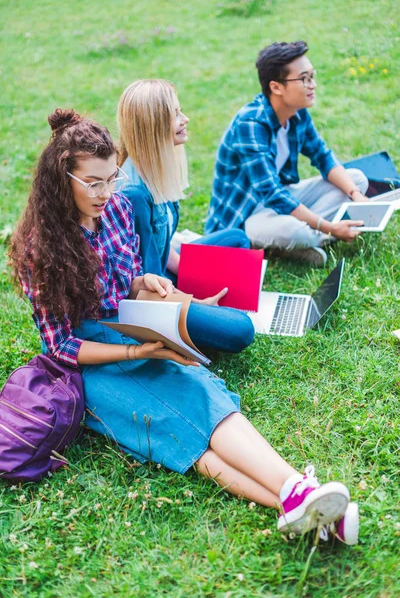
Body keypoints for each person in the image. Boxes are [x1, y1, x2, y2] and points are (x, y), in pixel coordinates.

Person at [10, 109, 358, 544]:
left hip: (133, 327)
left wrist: (145, 280)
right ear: (62, 181)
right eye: (93, 183)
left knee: (202, 400)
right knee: (185, 424)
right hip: (92, 362)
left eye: (111, 177)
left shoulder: (116, 208)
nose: (105, 192)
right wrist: (138, 353)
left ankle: (300, 503)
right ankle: (298, 492)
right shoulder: (40, 248)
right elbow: (62, 344)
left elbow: (129, 278)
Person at [117, 79, 255, 353]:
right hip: (150, 299)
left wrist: (197, 274)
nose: (185, 119)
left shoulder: (154, 170)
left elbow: (159, 246)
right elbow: (148, 281)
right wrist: (195, 301)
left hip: (164, 275)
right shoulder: (134, 194)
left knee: (237, 239)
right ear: (153, 125)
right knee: (241, 329)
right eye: (176, 115)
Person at [205, 41, 369, 267]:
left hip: (279, 203)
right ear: (276, 87)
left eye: (312, 76)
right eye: (304, 79)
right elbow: (271, 194)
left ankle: (299, 241)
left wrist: (356, 194)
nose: (312, 85)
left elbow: (323, 157)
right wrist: (329, 227)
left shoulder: (297, 114)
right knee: (292, 231)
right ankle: (306, 239)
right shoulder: (250, 124)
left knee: (357, 179)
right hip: (247, 217)